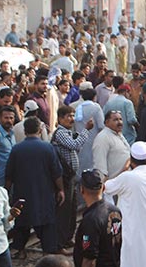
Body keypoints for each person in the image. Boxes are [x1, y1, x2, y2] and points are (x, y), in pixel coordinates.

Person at [6, 117, 67, 258]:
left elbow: (9, 175)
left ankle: (20, 250)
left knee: (22, 223)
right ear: (40, 130)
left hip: (22, 193)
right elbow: (57, 172)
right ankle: (47, 252)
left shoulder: (16, 149)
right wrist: (61, 190)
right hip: (44, 194)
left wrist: (6, 192)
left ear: (25, 130)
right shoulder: (47, 147)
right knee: (47, 224)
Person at [104, 141, 146, 267]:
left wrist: (124, 170)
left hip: (131, 236)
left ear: (131, 160)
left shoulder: (127, 177)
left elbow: (105, 187)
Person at [53, 105, 94, 249]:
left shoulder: (69, 132)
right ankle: (60, 241)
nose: (71, 119)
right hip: (64, 177)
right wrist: (85, 131)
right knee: (64, 210)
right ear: (60, 118)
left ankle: (68, 237)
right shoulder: (61, 133)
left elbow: (76, 146)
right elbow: (75, 145)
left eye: (72, 116)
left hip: (71, 176)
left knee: (72, 209)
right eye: (68, 116)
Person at [74, 169, 122, 267]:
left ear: (81, 189)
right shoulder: (115, 210)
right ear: (103, 188)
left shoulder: (90, 221)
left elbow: (89, 259)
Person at [71, 82, 105, 174]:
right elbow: (101, 125)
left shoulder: (74, 106)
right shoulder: (96, 108)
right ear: (94, 97)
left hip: (79, 140)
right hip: (94, 140)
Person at [92, 111, 131, 180]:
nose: (119, 122)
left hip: (125, 180)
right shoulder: (103, 137)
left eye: (120, 119)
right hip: (113, 183)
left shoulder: (118, 134)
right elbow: (99, 164)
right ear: (107, 122)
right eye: (115, 120)